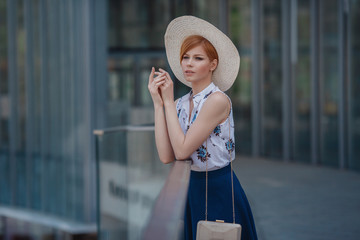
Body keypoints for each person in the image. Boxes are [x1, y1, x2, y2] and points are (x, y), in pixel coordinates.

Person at [148, 16, 257, 240]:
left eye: (198, 58)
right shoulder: (179, 104)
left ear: (213, 64)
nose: (188, 63)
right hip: (191, 190)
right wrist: (159, 104)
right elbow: (166, 155)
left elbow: (182, 151)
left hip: (218, 188)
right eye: (185, 57)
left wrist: (167, 102)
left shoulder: (217, 100)